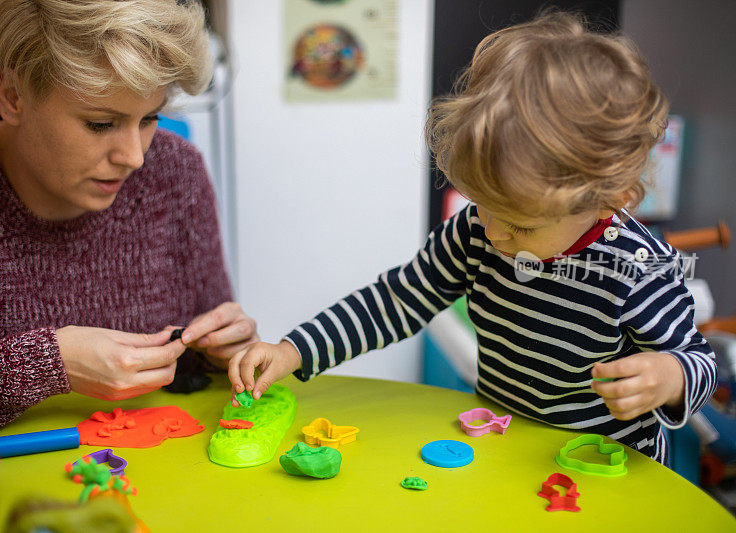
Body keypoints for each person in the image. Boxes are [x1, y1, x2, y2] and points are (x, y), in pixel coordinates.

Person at [227, 11, 716, 464]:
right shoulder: (476, 232)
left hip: (600, 468)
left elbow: (700, 361)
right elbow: (395, 302)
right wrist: (294, 351)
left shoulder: (636, 265)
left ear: (607, 198)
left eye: (521, 225)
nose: (495, 235)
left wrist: (669, 378)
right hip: (500, 445)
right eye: (483, 207)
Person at [0, 0, 259, 438]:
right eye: (101, 123)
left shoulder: (175, 172)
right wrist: (46, 365)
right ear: (13, 96)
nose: (135, 157)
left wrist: (225, 351)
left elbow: (201, 369)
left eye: (149, 118)